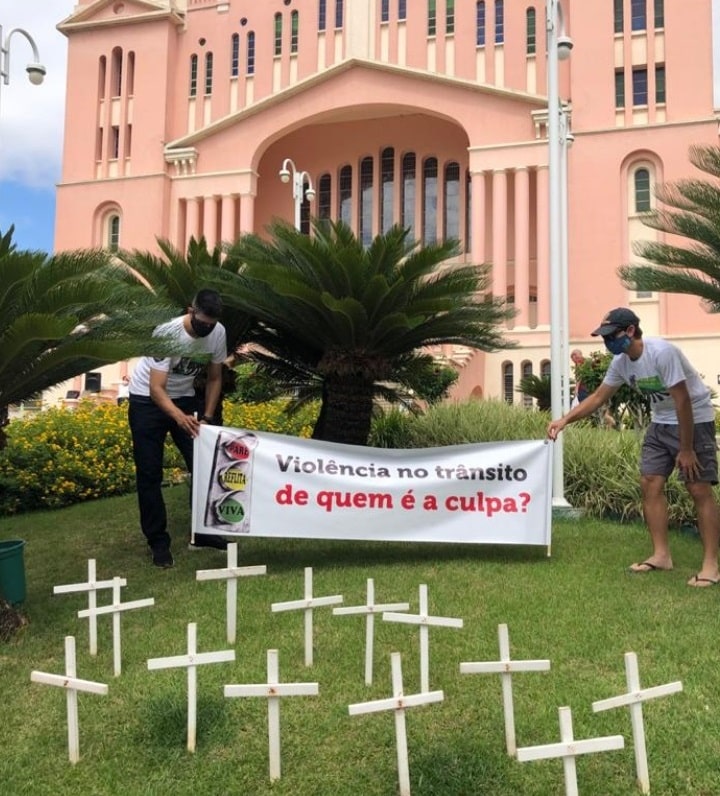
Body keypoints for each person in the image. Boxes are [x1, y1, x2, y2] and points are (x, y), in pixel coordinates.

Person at [547, 307, 720, 587]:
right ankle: (661, 555)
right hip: (660, 422)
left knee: (698, 488)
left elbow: (683, 400)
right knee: (650, 482)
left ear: (630, 331)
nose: (607, 342)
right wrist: (565, 419)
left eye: (611, 335)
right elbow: (599, 397)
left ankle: (711, 565)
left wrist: (687, 449)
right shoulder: (621, 363)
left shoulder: (662, 353)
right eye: (604, 337)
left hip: (694, 420)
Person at [128, 289, 229, 568]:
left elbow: (215, 378)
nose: (206, 329)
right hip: (146, 401)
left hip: (185, 397)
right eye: (202, 323)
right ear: (190, 311)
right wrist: (180, 418)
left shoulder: (218, 332)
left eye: (211, 324)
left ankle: (202, 533)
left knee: (205, 465)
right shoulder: (167, 333)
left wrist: (206, 417)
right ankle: (158, 542)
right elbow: (156, 388)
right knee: (150, 473)